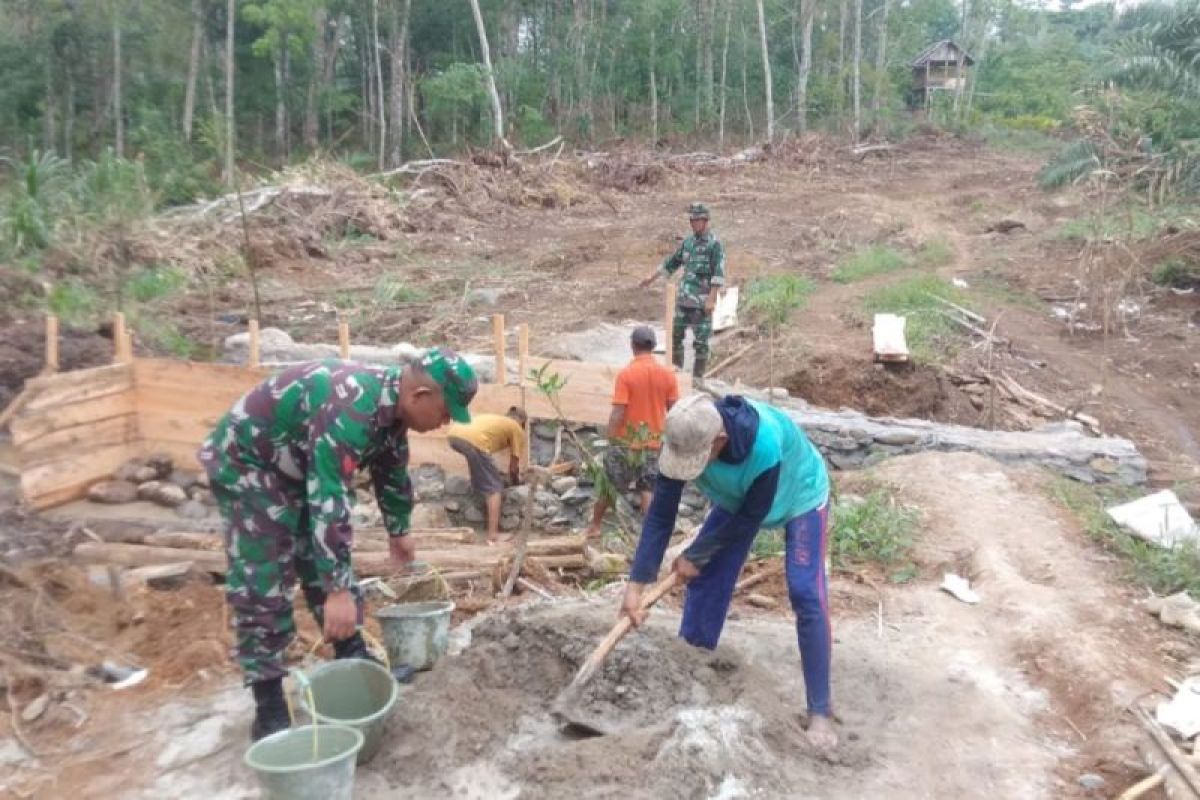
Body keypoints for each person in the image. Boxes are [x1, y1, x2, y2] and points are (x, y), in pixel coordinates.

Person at [198, 348, 477, 740]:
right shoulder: (351, 409)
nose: (446, 423)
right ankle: (269, 703)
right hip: (250, 463)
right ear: (420, 397)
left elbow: (392, 470)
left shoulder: (393, 412)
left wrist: (400, 531)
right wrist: (338, 592)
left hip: (297, 464)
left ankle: (355, 664)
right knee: (265, 575)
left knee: (319, 556)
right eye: (447, 413)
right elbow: (329, 503)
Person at [619, 392, 837, 752]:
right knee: (707, 579)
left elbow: (752, 516)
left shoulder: (763, 445)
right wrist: (636, 585)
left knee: (805, 592)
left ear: (718, 441)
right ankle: (692, 669)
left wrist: (697, 553)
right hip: (739, 500)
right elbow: (660, 515)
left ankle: (820, 711)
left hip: (800, 495)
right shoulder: (685, 435)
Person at [585, 326, 679, 538]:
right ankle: (650, 534)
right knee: (648, 488)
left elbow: (619, 410)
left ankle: (595, 526)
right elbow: (675, 409)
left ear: (633, 346)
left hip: (625, 442)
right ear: (654, 346)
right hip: (653, 442)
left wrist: (610, 438)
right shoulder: (667, 375)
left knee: (609, 485)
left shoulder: (627, 374)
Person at [640, 202, 727, 379]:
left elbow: (718, 273)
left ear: (705, 221)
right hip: (683, 300)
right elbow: (672, 262)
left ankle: (697, 379)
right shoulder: (688, 243)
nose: (693, 223)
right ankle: (676, 376)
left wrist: (712, 298)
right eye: (691, 220)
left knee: (701, 343)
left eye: (697, 220)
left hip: (701, 303)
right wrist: (652, 277)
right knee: (676, 337)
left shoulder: (714, 244)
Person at [446, 406, 528, 544]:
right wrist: (515, 482)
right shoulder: (517, 428)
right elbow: (513, 467)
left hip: (454, 434)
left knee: (483, 475)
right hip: (474, 440)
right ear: (522, 422)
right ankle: (493, 536)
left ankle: (481, 495)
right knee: (495, 489)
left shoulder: (496, 420)